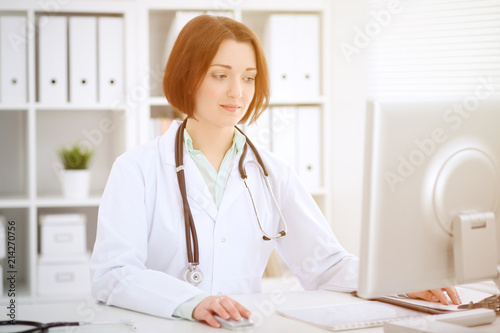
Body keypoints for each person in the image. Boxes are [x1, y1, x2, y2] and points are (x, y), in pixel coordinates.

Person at [89, 15, 460, 329]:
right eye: (220, 75)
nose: (237, 92)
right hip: (165, 325)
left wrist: (399, 284)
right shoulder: (136, 169)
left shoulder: (271, 172)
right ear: (188, 77)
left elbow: (326, 265)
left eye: (248, 78)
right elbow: (113, 273)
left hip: (242, 325)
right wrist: (192, 301)